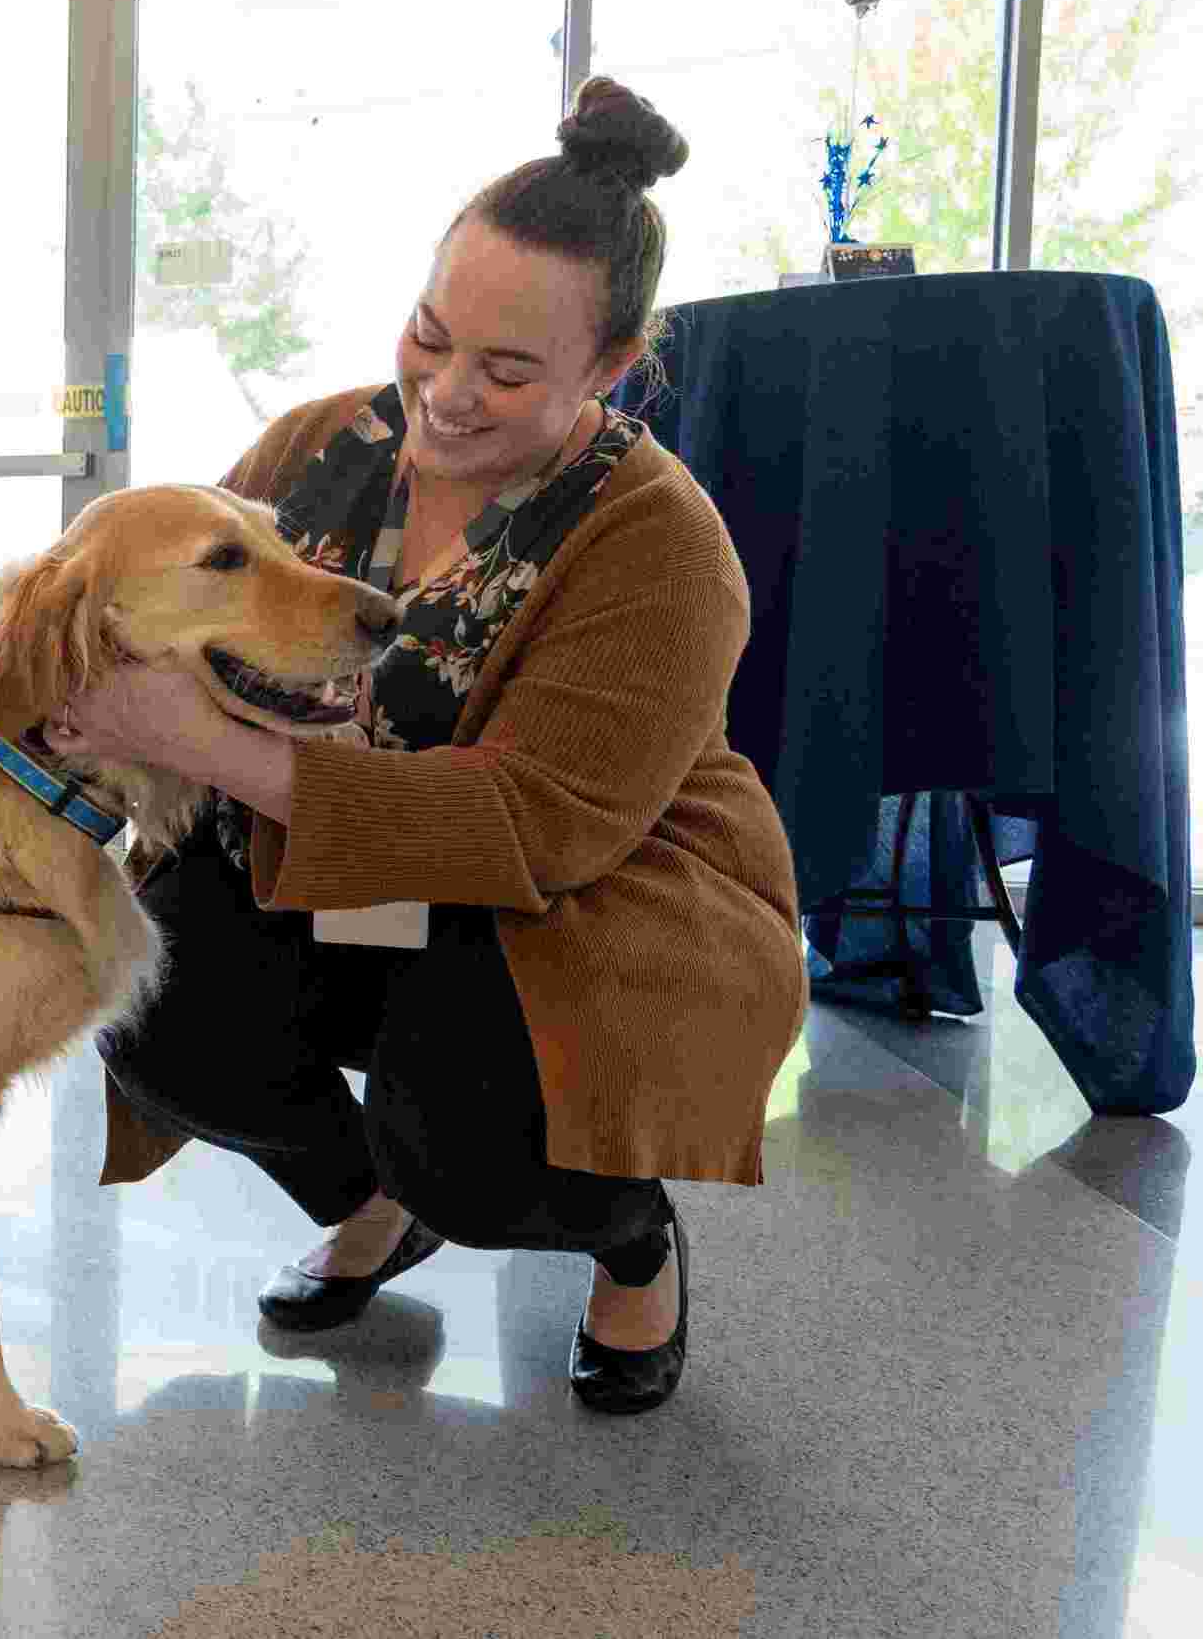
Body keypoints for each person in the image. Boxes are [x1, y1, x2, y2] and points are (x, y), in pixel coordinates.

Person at [50, 76, 806, 1416]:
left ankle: (629, 1243)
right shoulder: (320, 443)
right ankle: (374, 1204)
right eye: (429, 336)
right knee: (150, 1005)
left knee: (464, 1127)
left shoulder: (664, 548)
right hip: (333, 867)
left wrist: (209, 750)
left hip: (580, 902)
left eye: (508, 371)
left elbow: (526, 828)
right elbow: (173, 609)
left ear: (611, 370)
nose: (445, 395)